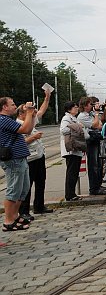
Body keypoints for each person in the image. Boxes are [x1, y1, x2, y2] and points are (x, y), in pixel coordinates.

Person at [1, 97, 37, 232]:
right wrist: (28, 112)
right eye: (12, 104)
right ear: (4, 107)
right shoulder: (3, 120)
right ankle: (8, 221)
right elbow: (25, 129)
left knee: (23, 189)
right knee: (14, 189)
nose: (14, 107)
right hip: (13, 159)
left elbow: (28, 128)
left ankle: (14, 216)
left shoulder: (8, 120)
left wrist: (31, 116)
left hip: (20, 158)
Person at [19, 88, 53, 218]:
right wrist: (33, 137)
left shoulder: (31, 121)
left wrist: (47, 98)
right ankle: (24, 211)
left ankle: (39, 206)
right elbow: (20, 143)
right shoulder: (19, 124)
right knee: (27, 185)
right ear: (23, 113)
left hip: (38, 156)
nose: (34, 112)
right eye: (30, 110)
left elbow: (42, 110)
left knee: (41, 182)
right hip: (29, 159)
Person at [77, 96, 106, 196]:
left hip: (96, 139)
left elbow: (100, 125)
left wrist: (96, 116)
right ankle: (93, 188)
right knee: (93, 165)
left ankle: (98, 185)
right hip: (90, 142)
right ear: (85, 106)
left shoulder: (91, 114)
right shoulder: (82, 116)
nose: (92, 106)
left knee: (98, 165)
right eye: (90, 104)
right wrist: (97, 114)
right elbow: (95, 125)